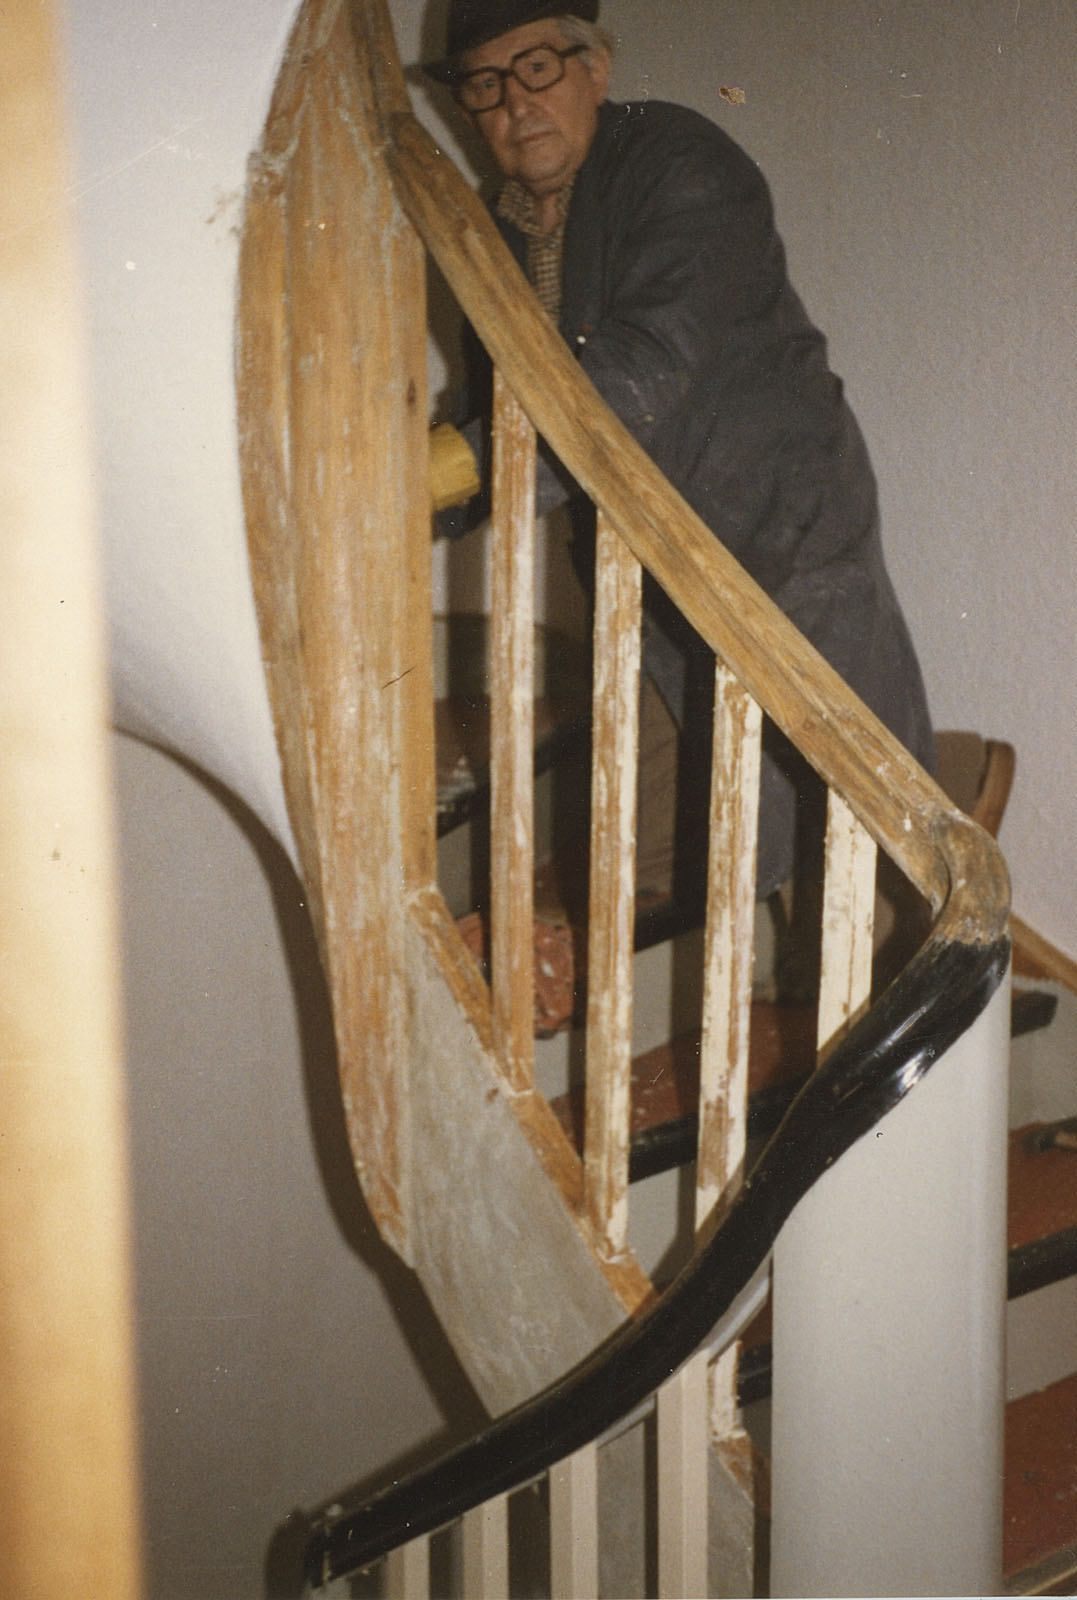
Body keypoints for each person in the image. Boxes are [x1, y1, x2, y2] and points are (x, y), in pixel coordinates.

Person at [426, 0, 934, 947]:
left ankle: (914, 980)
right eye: (484, 84)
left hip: (772, 522)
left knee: (844, 788)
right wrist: (421, 492)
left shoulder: (677, 159)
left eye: (536, 67)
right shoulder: (494, 237)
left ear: (595, 68)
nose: (514, 103)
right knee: (707, 816)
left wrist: (447, 471)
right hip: (647, 560)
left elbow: (639, 368)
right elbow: (496, 402)